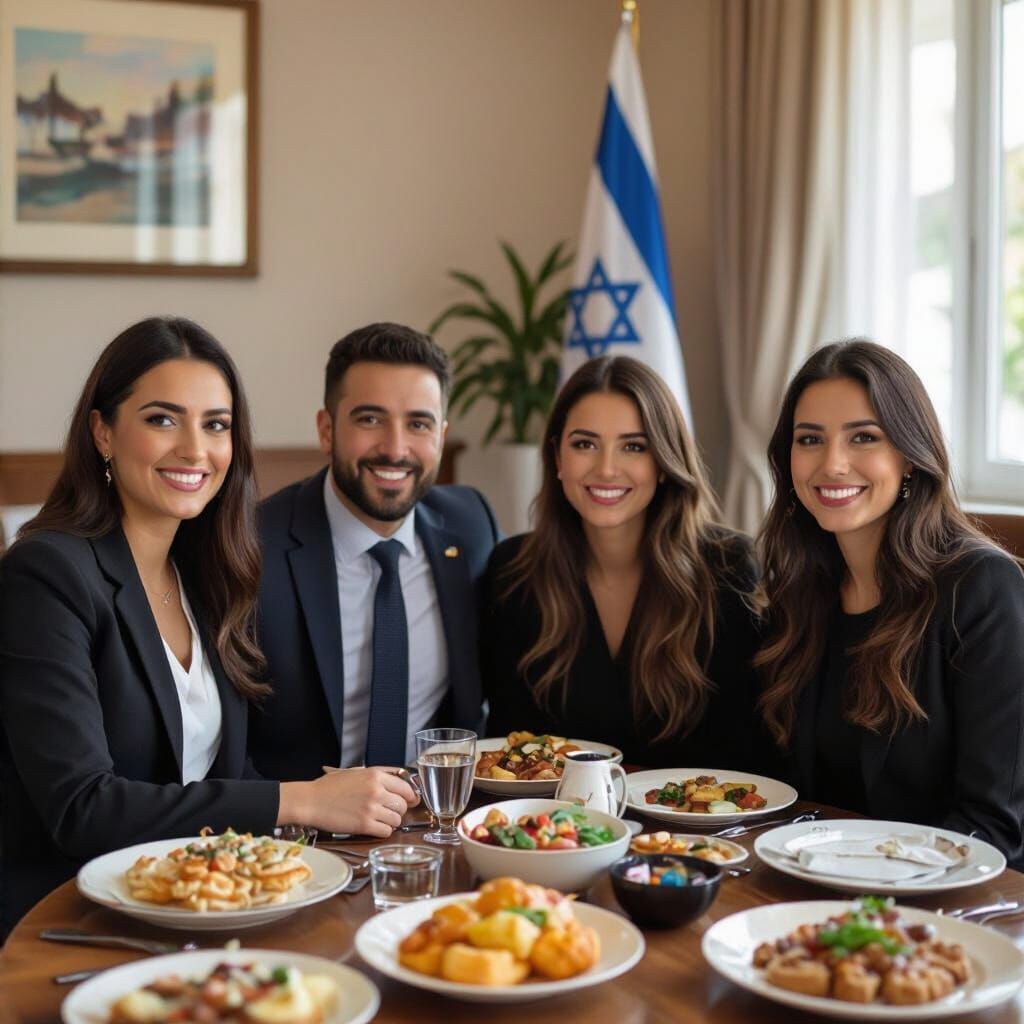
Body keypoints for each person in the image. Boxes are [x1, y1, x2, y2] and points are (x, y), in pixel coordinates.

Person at [0, 317, 417, 934]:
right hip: (68, 922)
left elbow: (208, 776)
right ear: (103, 432)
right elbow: (83, 808)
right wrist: (296, 799)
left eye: (216, 425)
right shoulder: (47, 574)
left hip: (195, 906)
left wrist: (326, 792)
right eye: (163, 419)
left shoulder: (205, 576)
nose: (196, 449)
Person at [757, 339, 1024, 863]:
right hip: (813, 887)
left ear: (908, 456)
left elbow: (996, 825)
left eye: (864, 437)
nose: (832, 464)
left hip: (949, 910)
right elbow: (786, 792)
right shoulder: (800, 588)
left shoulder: (983, 590)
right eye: (809, 439)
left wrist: (855, 876)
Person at [249, 323, 501, 781]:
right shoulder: (253, 544)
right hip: (297, 837)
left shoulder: (471, 525)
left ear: (441, 436)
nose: (395, 448)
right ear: (327, 430)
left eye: (418, 424)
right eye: (370, 419)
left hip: (436, 823)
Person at [483, 355, 762, 768]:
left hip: (701, 828)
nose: (607, 468)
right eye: (584, 444)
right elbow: (507, 749)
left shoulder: (729, 567)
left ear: (664, 463)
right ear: (558, 458)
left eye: (634, 446)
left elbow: (752, 747)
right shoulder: (513, 570)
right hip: (554, 826)